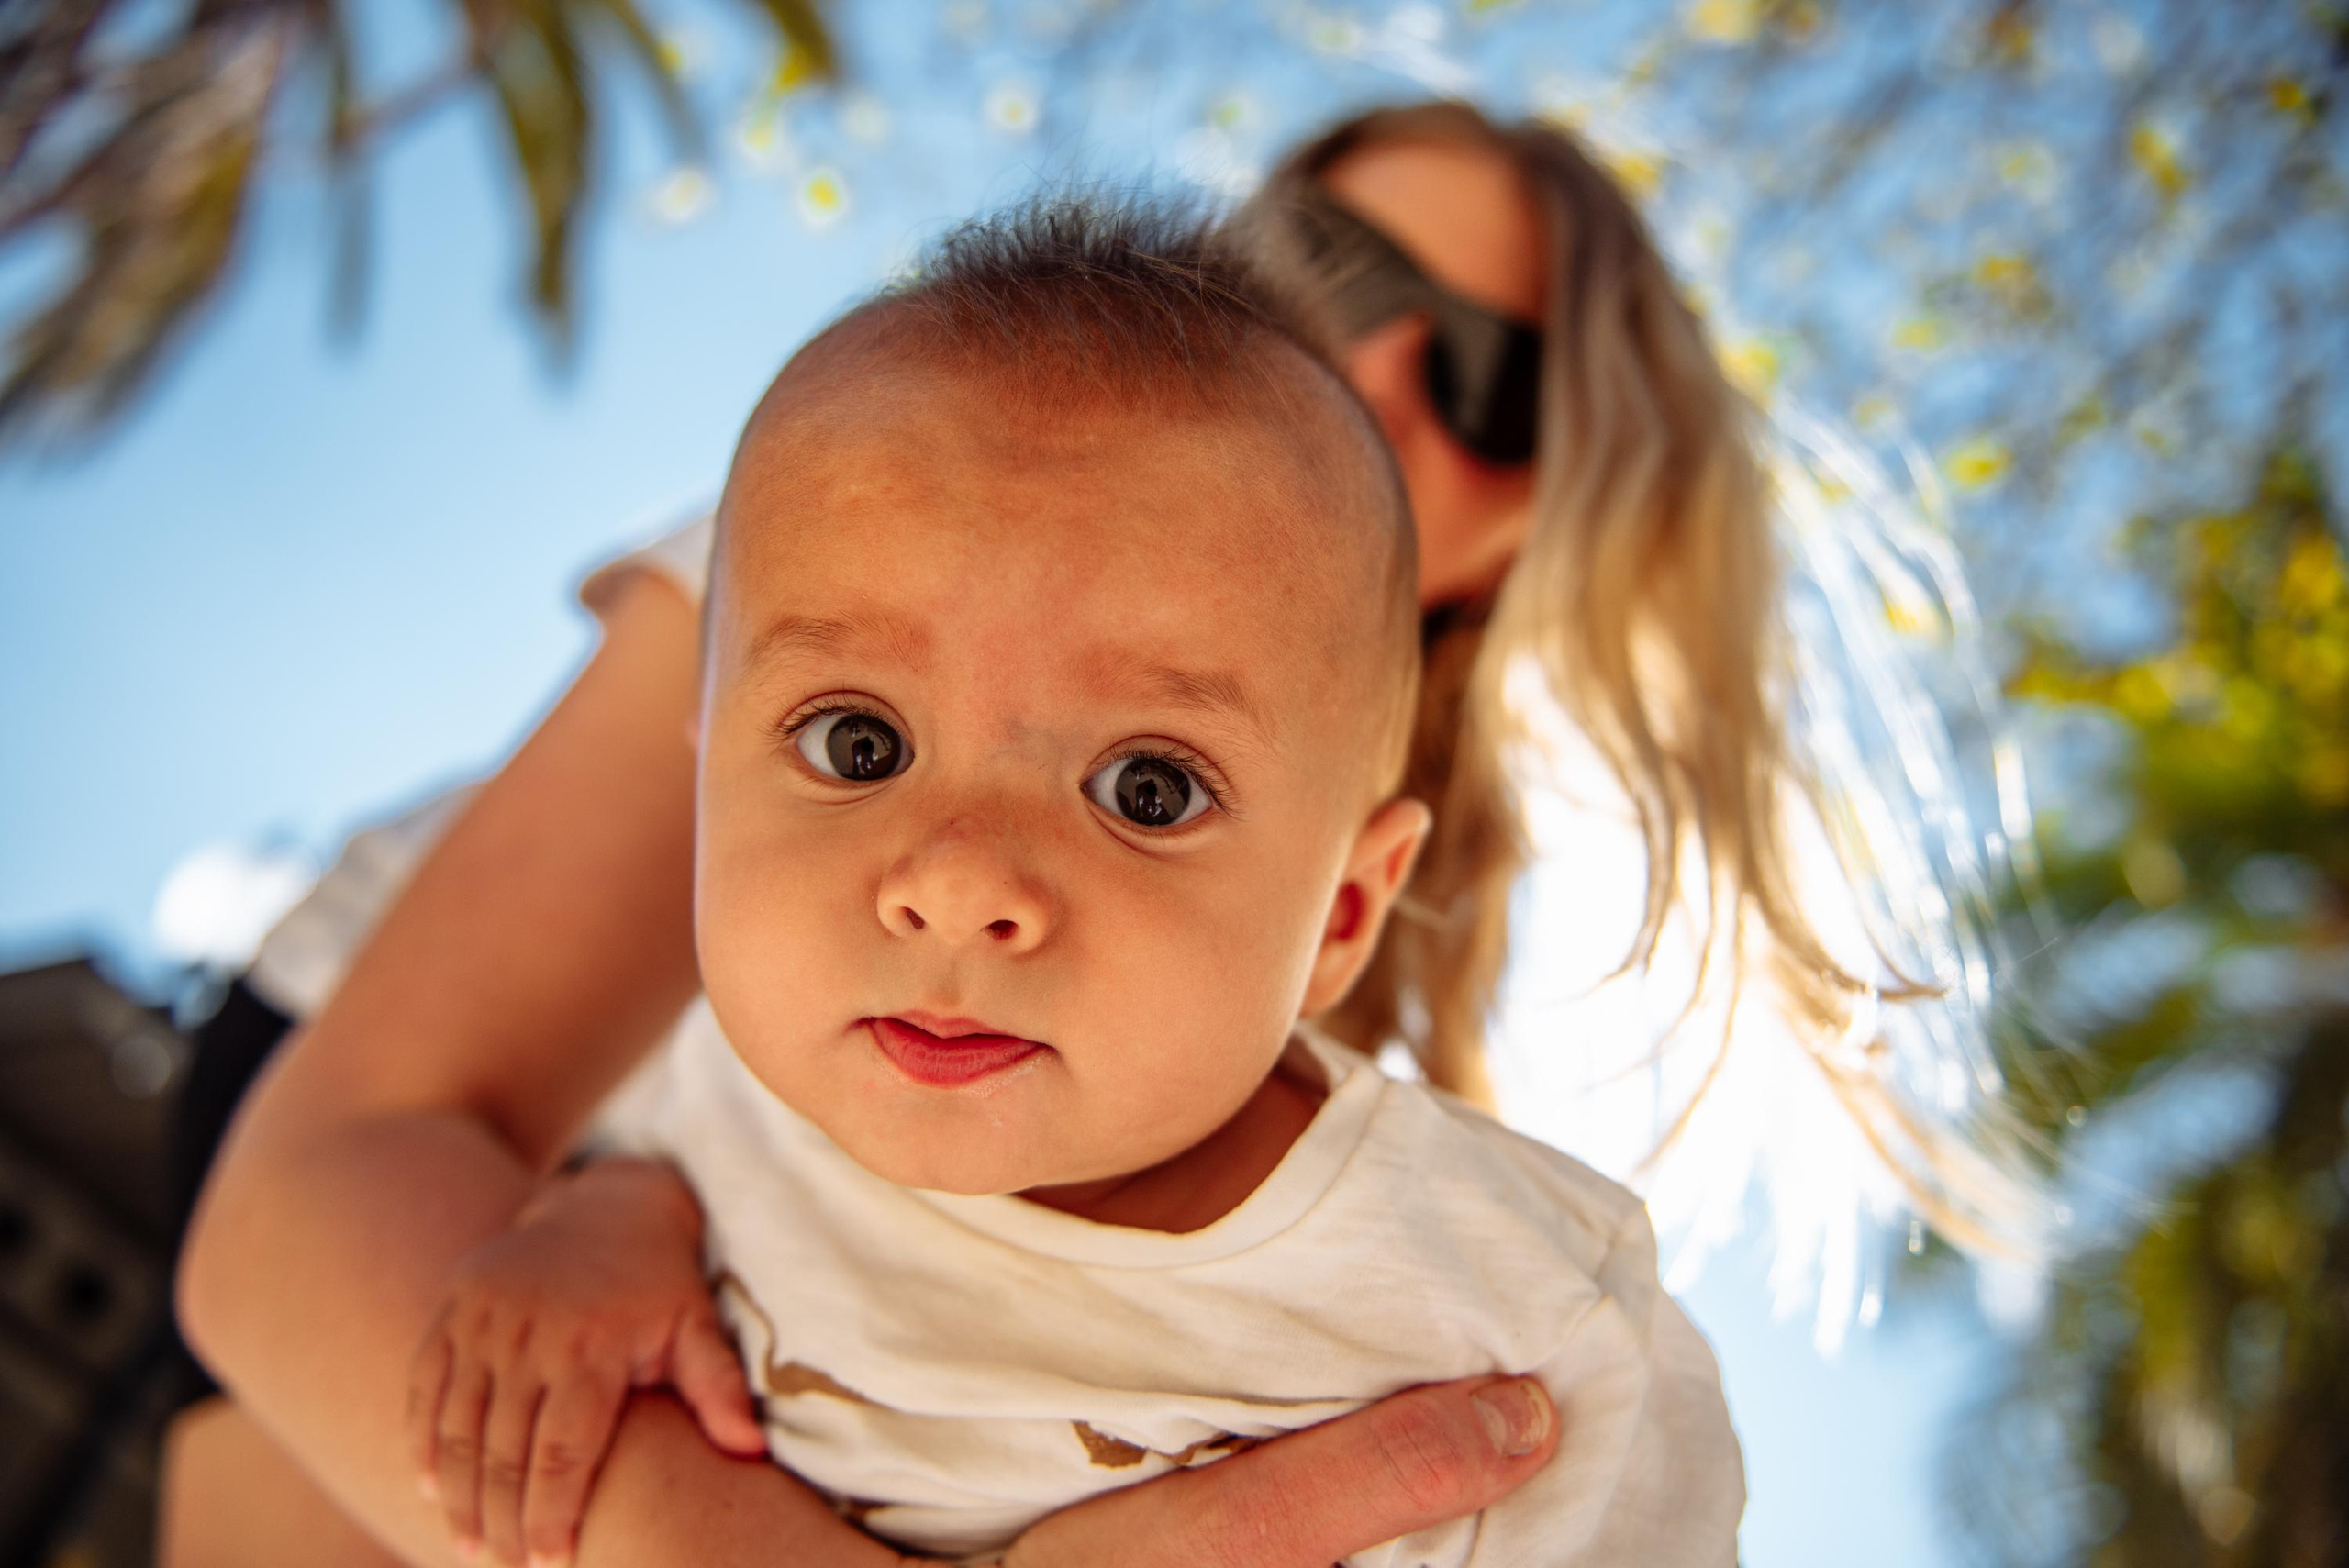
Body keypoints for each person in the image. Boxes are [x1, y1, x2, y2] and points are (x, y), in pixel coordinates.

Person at [173, 98, 2021, 1566]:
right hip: (396, 1165)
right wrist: (626, 1232)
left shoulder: (1434, 1182)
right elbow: (332, 1191)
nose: (1375, 368)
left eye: (1481, 381)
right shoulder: (894, 491)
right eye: (1345, 262)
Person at [398, 199, 1742, 1568]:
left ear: (1343, 910)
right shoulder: (742, 1079)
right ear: (702, 791)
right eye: (857, 744)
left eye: (1147, 789)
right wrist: (608, 1222)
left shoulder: (1516, 1325)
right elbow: (692, 1153)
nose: (959, 884)